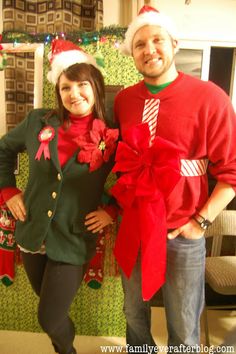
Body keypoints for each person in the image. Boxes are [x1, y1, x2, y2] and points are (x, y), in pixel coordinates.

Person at [111, 5, 236, 353]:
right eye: (139, 44)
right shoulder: (123, 101)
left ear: (174, 43)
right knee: (134, 314)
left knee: (183, 321)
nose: (149, 49)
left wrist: (201, 221)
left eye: (157, 40)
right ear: (131, 53)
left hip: (183, 230)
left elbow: (232, 173)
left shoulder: (210, 98)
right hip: (135, 225)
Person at [0, 39, 118, 354]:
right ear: (58, 90)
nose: (74, 94)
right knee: (50, 309)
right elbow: (3, 150)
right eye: (66, 87)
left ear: (96, 86)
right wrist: (8, 190)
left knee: (49, 317)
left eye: (82, 85)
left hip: (74, 236)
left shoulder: (112, 133)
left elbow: (136, 175)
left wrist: (113, 209)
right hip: (32, 231)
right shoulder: (38, 120)